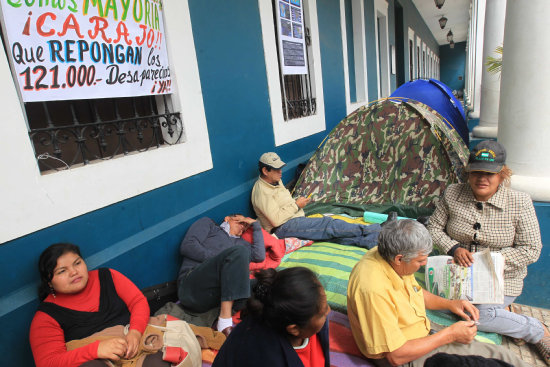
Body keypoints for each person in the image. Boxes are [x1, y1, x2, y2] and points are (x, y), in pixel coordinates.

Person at [427, 140, 549, 364]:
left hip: (501, 280)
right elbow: (433, 227)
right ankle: (506, 315)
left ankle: (536, 330)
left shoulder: (519, 202)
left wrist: (493, 261)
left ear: (502, 174)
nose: (482, 179)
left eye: (489, 174)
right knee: (436, 305)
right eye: (476, 172)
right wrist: (453, 248)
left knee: (478, 315)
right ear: (469, 172)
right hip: (457, 275)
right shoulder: (454, 193)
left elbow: (532, 249)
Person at [347, 219, 530, 367]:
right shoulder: (373, 289)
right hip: (406, 358)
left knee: (505, 358)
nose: (424, 264)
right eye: (420, 261)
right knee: (500, 358)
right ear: (400, 259)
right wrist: (449, 335)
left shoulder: (388, 255)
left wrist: (450, 304)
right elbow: (396, 356)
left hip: (419, 336)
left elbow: (414, 292)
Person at [29, 243, 169, 367]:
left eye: (77, 263)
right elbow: (48, 362)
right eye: (62, 271)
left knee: (160, 360)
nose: (74, 272)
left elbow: (138, 302)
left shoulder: (108, 276)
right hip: (96, 361)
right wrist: (96, 350)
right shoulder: (46, 317)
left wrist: (135, 332)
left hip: (134, 346)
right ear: (49, 282)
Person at [251, 152, 381, 249]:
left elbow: (283, 203)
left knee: (327, 235)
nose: (281, 172)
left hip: (294, 219)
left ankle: (370, 241)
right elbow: (276, 220)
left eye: (281, 167)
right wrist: (296, 205)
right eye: (276, 169)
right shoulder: (261, 192)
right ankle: (374, 230)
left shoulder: (275, 180)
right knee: (327, 224)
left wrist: (297, 203)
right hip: (282, 227)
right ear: (265, 170)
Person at [212, 267, 331, 367]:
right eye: (322, 313)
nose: (329, 311)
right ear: (294, 329)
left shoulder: (307, 323)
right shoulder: (265, 357)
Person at [177, 214, 265, 336]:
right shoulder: (209, 225)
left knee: (266, 282)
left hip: (218, 295)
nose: (242, 228)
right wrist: (224, 260)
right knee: (239, 252)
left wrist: (255, 225)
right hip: (192, 287)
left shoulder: (242, 243)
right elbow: (188, 246)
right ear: (227, 218)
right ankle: (224, 322)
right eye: (240, 222)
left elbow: (259, 256)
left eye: (245, 227)